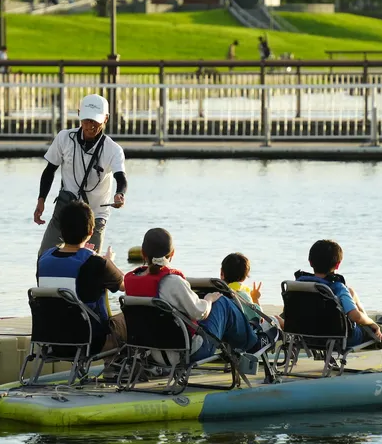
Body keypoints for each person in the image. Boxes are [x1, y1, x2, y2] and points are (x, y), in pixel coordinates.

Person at [124, 228, 269, 362]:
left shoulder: (131, 280)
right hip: (186, 352)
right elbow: (200, 312)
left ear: (143, 253)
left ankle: (248, 337)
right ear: (172, 253)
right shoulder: (172, 281)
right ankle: (253, 343)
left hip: (150, 353)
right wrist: (209, 299)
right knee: (222, 302)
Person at [34, 94, 127, 257]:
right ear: (78, 114)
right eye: (86, 120)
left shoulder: (113, 149)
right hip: (66, 209)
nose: (90, 126)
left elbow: (120, 177)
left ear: (106, 118)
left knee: (90, 265)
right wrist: (41, 200)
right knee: (45, 256)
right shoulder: (64, 138)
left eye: (95, 121)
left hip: (95, 214)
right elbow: (49, 170)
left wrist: (120, 194)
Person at [36, 200, 126, 352]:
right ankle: (116, 369)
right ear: (91, 232)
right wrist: (108, 262)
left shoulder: (43, 260)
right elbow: (126, 285)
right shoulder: (96, 262)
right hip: (89, 341)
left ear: (60, 230)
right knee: (132, 318)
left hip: (51, 341)